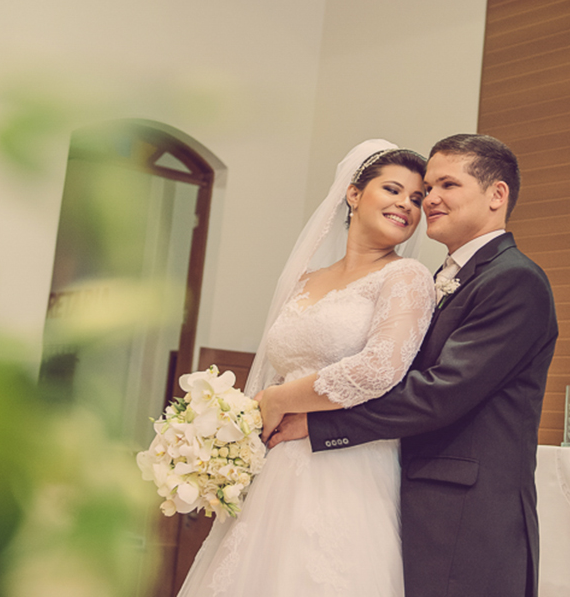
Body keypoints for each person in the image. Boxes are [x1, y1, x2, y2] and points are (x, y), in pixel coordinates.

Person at [265, 133, 560, 597]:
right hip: (402, 494)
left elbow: (439, 392)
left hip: (468, 517)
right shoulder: (446, 277)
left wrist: (317, 425)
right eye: (429, 189)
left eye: (445, 186)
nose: (430, 200)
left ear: (496, 195)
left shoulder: (515, 280)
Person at [176, 140, 435, 596]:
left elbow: (379, 370)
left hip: (349, 465)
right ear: (353, 194)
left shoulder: (405, 277)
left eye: (416, 198)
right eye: (392, 189)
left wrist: (275, 401)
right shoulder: (305, 281)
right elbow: (277, 367)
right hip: (278, 468)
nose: (406, 205)